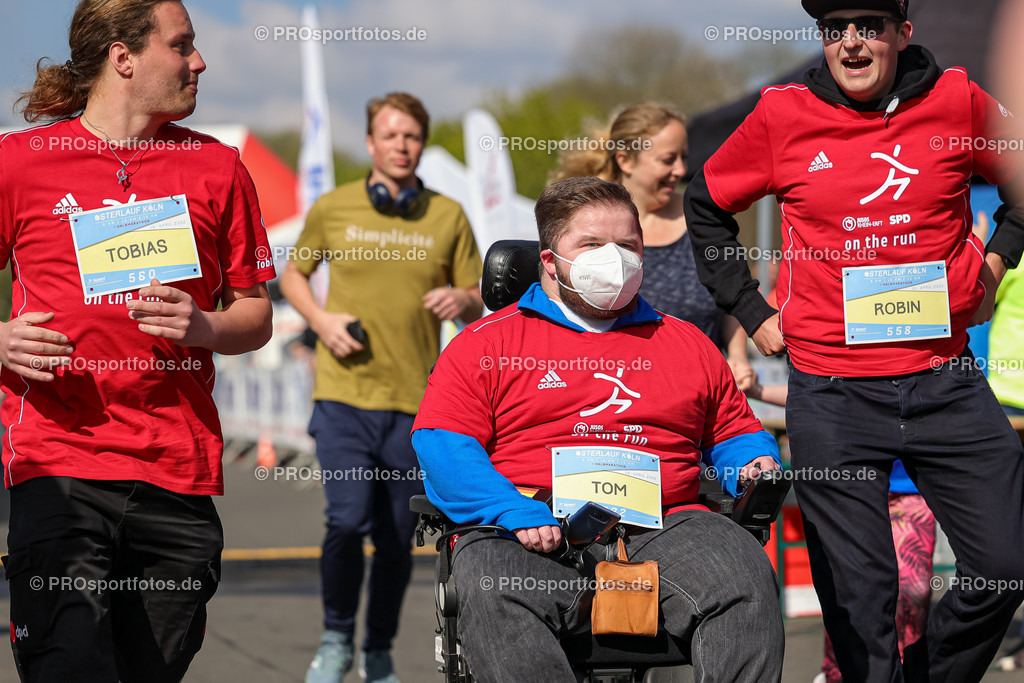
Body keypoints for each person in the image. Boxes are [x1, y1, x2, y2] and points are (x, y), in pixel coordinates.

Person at [685, 0, 1024, 679]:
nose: (849, 44)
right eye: (833, 29)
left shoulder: (957, 100)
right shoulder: (783, 115)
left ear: (902, 32)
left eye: (867, 26)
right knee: (860, 599)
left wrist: (993, 265)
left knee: (1005, 567)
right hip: (834, 394)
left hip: (945, 380)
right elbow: (707, 204)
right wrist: (752, 310)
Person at [411, 176, 785, 682]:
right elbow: (443, 442)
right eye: (591, 245)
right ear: (549, 261)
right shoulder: (485, 344)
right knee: (489, 583)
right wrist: (509, 510)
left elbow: (732, 428)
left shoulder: (686, 343)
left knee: (743, 573)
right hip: (526, 524)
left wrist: (752, 461)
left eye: (627, 246)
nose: (614, 258)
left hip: (665, 524)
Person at [0, 1, 275, 681]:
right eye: (181, 46)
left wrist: (205, 325)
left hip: (174, 471)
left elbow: (256, 311)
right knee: (68, 666)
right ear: (123, 57)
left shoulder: (219, 169)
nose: (199, 61)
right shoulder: (19, 161)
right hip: (58, 463)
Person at [279, 92, 483, 683]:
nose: (401, 145)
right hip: (342, 398)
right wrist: (320, 323)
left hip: (415, 406)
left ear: (421, 144)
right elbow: (293, 275)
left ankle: (378, 652)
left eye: (412, 136)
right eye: (390, 135)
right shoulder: (334, 208)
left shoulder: (447, 216)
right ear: (370, 143)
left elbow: (478, 302)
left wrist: (463, 300)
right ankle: (336, 639)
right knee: (345, 521)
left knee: (397, 538)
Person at [552, 103, 752, 381]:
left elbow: (735, 295)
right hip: (610, 388)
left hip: (699, 387)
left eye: (683, 157)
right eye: (668, 159)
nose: (681, 170)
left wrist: (737, 357)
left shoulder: (704, 219)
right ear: (625, 160)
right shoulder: (582, 225)